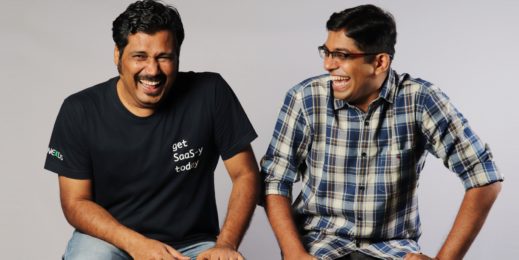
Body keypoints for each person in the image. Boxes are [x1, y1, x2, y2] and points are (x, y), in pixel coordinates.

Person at [261, 4, 502, 260]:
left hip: (392, 251)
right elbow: (275, 179)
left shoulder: (420, 100)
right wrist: (293, 253)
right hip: (318, 246)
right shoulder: (305, 99)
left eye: (341, 54)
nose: (328, 64)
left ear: (379, 62)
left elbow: (484, 177)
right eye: (326, 52)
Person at [44, 1, 259, 259]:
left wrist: (226, 244)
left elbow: (245, 174)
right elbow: (75, 202)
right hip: (111, 240)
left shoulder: (211, 92)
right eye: (140, 57)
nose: (153, 70)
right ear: (117, 55)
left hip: (193, 245)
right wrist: (137, 244)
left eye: (164, 57)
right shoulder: (79, 110)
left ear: (177, 56)